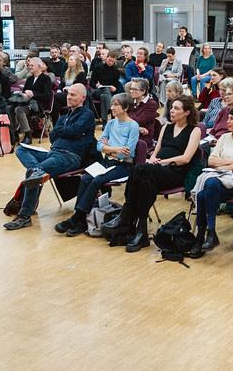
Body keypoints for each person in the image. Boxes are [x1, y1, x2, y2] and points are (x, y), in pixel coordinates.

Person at [106, 96, 202, 252]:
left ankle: (126, 217)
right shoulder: (166, 128)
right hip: (156, 171)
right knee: (145, 181)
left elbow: (186, 158)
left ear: (187, 112)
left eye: (176, 108)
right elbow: (155, 153)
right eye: (172, 107)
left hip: (176, 171)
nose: (172, 110)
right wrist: (152, 161)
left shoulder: (195, 130)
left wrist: (161, 162)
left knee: (140, 170)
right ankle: (141, 232)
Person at [5, 84, 96, 230]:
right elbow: (53, 136)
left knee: (34, 173)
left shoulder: (87, 115)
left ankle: (24, 216)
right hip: (53, 153)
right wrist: (64, 131)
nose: (69, 97)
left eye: (73, 95)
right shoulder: (64, 116)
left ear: (83, 98)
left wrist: (61, 131)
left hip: (69, 157)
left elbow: (74, 130)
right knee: (21, 149)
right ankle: (37, 172)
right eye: (68, 94)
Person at [54, 93, 139, 237]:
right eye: (112, 104)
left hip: (123, 166)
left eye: (116, 105)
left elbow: (127, 153)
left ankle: (77, 219)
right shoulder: (110, 124)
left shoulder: (133, 126)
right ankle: (80, 220)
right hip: (107, 162)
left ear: (125, 108)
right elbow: (99, 146)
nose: (112, 107)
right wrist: (115, 149)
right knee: (85, 178)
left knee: (97, 180)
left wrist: (109, 148)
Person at [191, 106, 233, 256]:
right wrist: (231, 161)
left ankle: (203, 236)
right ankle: (208, 235)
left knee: (207, 189)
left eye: (231, 119)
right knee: (204, 192)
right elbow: (211, 161)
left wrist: (222, 165)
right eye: (228, 118)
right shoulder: (223, 138)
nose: (227, 121)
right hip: (217, 179)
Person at [14, 57, 53, 145]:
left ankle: (28, 135)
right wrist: (24, 94)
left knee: (19, 110)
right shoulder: (29, 79)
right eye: (29, 65)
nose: (30, 67)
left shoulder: (46, 78)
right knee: (10, 108)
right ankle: (14, 133)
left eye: (32, 65)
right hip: (28, 103)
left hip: (39, 105)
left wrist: (33, 95)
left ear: (39, 66)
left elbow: (47, 95)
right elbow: (25, 91)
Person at [89, 50, 122, 123]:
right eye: (109, 60)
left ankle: (104, 121)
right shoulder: (98, 68)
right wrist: (96, 85)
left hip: (108, 93)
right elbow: (91, 83)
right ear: (107, 58)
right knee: (105, 90)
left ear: (115, 61)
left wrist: (114, 88)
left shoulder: (116, 71)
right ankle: (112, 109)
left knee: (104, 96)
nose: (110, 63)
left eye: (112, 61)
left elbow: (116, 85)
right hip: (97, 91)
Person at [126, 78, 160, 148]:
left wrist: (125, 120)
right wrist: (138, 128)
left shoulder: (152, 104)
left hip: (142, 139)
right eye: (131, 89)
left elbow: (138, 121)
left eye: (135, 89)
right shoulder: (130, 102)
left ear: (143, 91)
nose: (131, 91)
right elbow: (120, 118)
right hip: (128, 134)